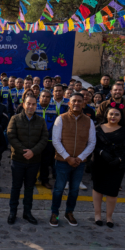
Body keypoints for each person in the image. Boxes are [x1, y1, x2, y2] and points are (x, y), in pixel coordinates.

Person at [49, 93, 96, 227]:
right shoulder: (61, 119)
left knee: (74, 190)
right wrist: (68, 157)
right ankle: (54, 213)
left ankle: (69, 212)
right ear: (69, 103)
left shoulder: (89, 121)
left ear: (83, 103)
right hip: (63, 161)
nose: (76, 103)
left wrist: (80, 158)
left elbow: (92, 142)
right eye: (73, 101)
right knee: (58, 189)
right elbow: (56, 141)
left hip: (80, 163)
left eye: (79, 101)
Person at [6, 95, 47, 225]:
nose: (31, 106)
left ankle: (27, 212)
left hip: (34, 161)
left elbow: (44, 138)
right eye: (28, 103)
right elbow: (11, 136)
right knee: (16, 187)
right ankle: (13, 212)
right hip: (18, 159)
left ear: (36, 105)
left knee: (29, 188)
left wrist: (33, 152)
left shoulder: (41, 121)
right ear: (24, 104)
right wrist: (24, 151)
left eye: (33, 104)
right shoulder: (15, 119)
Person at [92, 106, 125, 226]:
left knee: (112, 191)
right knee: (98, 188)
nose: (113, 116)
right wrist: (101, 152)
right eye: (111, 114)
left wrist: (120, 159)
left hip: (117, 165)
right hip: (99, 163)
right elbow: (92, 145)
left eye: (116, 114)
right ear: (106, 115)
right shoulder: (98, 129)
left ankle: (109, 217)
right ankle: (97, 215)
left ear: (121, 117)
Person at [37, 90, 64, 190]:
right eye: (43, 96)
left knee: (46, 161)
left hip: (49, 140)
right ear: (39, 97)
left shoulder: (54, 109)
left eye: (47, 97)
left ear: (50, 99)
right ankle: (31, 179)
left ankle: (44, 180)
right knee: (33, 160)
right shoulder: (34, 107)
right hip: (35, 140)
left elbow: (56, 124)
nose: (45, 98)